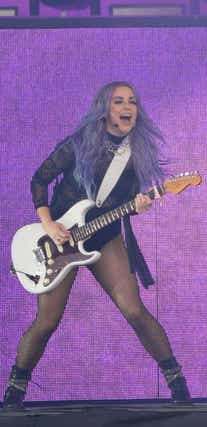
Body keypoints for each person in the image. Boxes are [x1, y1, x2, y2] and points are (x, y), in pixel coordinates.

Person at [2, 81, 191, 409]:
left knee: (134, 309)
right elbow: (39, 180)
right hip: (59, 240)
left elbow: (123, 199)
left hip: (104, 237)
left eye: (131, 101)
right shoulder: (79, 142)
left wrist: (140, 203)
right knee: (47, 321)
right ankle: (14, 392)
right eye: (119, 101)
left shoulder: (138, 152)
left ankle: (178, 384)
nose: (127, 106)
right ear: (106, 109)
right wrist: (49, 224)